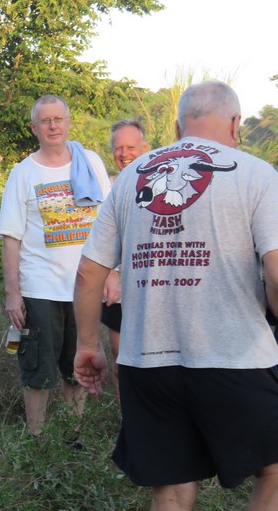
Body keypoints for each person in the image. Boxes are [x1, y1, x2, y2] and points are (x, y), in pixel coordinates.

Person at [74, 81, 278, 510]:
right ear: (236, 123)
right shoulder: (257, 175)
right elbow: (276, 274)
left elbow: (88, 273)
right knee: (274, 470)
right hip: (235, 357)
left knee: (172, 486)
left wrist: (88, 344)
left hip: (146, 362)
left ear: (177, 126)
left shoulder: (131, 177)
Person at [0, 94, 111, 440]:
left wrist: (114, 274)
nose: (52, 126)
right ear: (34, 128)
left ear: (68, 122)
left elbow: (110, 223)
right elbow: (11, 237)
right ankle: (37, 440)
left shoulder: (90, 162)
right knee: (38, 372)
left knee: (78, 368)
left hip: (85, 288)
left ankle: (74, 437)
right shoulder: (23, 173)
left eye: (58, 119)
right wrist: (13, 294)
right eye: (45, 121)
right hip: (40, 289)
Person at [100, 120, 150, 392]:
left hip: (152, 286)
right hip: (118, 287)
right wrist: (112, 272)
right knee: (120, 362)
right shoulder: (106, 187)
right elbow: (102, 240)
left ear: (145, 148)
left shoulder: (161, 184)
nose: (124, 154)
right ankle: (126, 416)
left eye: (131, 147)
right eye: (118, 148)